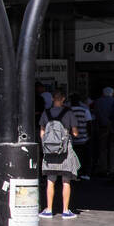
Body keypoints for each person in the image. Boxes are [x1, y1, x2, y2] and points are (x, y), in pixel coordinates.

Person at [39, 90, 79, 218]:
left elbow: (42, 132)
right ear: (63, 99)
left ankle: (49, 209)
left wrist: (47, 145)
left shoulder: (46, 113)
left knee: (51, 181)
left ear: (52, 99)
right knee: (66, 180)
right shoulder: (69, 113)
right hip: (65, 150)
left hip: (49, 152)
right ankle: (65, 211)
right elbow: (75, 133)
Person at [68, 92, 92, 180]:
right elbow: (89, 123)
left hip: (71, 138)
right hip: (84, 137)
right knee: (86, 156)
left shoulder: (68, 111)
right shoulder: (85, 110)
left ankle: (75, 173)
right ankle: (85, 173)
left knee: (74, 156)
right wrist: (89, 135)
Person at [93, 86, 114, 176]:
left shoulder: (98, 101)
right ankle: (112, 168)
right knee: (113, 148)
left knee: (103, 148)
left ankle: (103, 168)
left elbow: (96, 113)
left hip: (102, 126)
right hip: (113, 127)